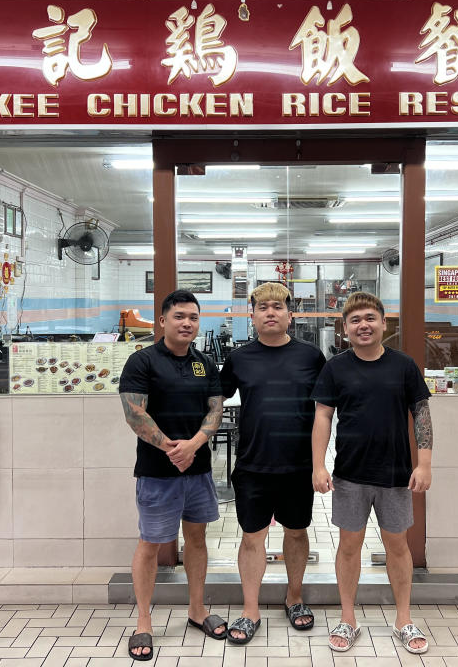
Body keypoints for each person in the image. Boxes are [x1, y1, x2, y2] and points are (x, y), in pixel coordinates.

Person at [311, 291, 433, 655]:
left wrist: (424, 463)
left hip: (396, 474)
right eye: (355, 320)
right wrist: (318, 465)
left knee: (398, 546)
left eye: (369, 318)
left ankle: (404, 619)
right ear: (345, 328)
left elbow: (422, 414)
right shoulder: (335, 368)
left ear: (383, 323)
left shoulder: (404, 366)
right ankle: (348, 619)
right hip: (350, 473)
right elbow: (322, 417)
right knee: (349, 547)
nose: (363, 325)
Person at [118, 289, 227, 661]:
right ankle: (144, 621)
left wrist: (193, 445)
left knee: (196, 539)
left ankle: (196, 609)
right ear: (162, 321)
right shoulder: (142, 361)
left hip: (196, 469)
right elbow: (135, 414)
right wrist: (171, 448)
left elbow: (215, 410)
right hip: (156, 472)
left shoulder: (204, 363)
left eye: (193, 317)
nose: (187, 323)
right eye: (179, 316)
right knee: (151, 544)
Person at [219, 282, 327, 644]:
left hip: (297, 467)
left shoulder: (311, 357)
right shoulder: (239, 359)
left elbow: (326, 412)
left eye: (277, 307)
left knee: (296, 533)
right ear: (251, 315)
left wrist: (319, 464)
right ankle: (250, 610)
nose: (270, 312)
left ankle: (294, 598)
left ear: (290, 315)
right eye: (262, 307)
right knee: (252, 538)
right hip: (252, 465)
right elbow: (214, 400)